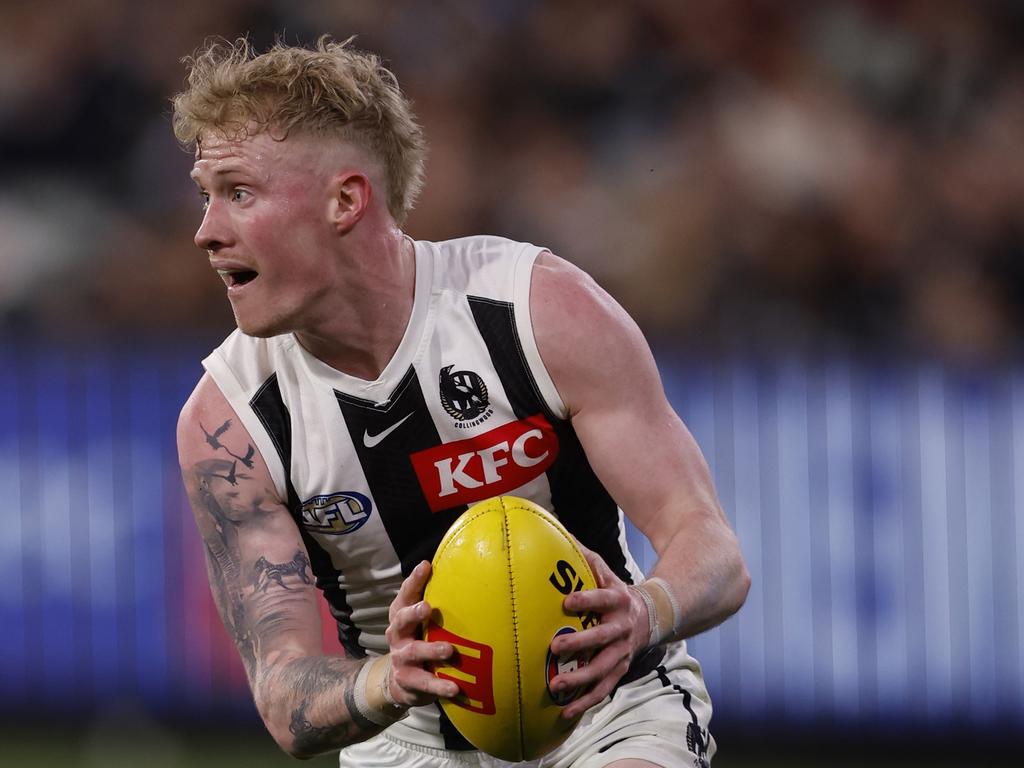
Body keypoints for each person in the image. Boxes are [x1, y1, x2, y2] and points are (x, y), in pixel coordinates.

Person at [173, 36, 749, 768]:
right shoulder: (230, 426)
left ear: (344, 200)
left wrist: (645, 610)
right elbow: (285, 700)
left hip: (613, 712)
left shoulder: (537, 310)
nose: (205, 231)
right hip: (405, 740)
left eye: (238, 192)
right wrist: (390, 679)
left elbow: (714, 551)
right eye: (206, 194)